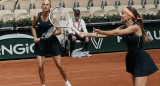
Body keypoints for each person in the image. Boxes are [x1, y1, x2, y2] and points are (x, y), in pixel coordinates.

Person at [82, 7, 158, 86]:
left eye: (123, 13)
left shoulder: (135, 27)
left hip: (141, 60)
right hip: (132, 59)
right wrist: (85, 34)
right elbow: (103, 35)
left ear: (129, 16)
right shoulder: (123, 27)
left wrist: (100, 30)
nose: (120, 15)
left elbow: (115, 33)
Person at [31, 0, 71, 86]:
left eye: (47, 5)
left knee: (59, 64)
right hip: (41, 43)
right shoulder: (36, 16)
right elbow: (33, 27)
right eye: (43, 4)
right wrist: (35, 37)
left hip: (52, 42)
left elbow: (59, 31)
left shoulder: (53, 18)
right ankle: (43, 84)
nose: (45, 6)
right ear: (41, 6)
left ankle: (66, 81)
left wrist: (50, 34)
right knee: (40, 66)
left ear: (50, 7)